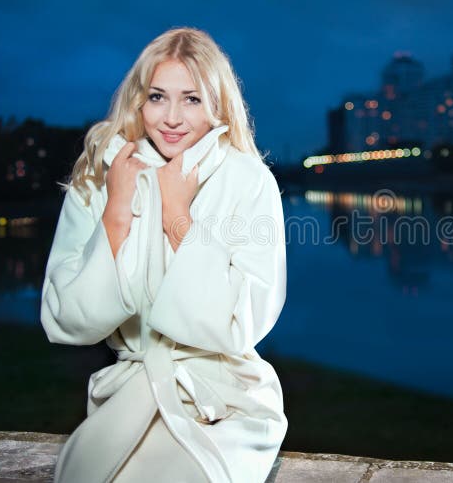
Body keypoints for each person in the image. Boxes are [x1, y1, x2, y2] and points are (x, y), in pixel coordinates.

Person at [40, 27, 288, 483]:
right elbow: (64, 319)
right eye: (158, 97)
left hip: (226, 402)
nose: (172, 117)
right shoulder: (102, 176)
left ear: (216, 103)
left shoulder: (247, 180)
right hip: (127, 394)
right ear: (138, 100)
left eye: (191, 99)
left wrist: (177, 218)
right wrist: (116, 211)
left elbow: (243, 321)